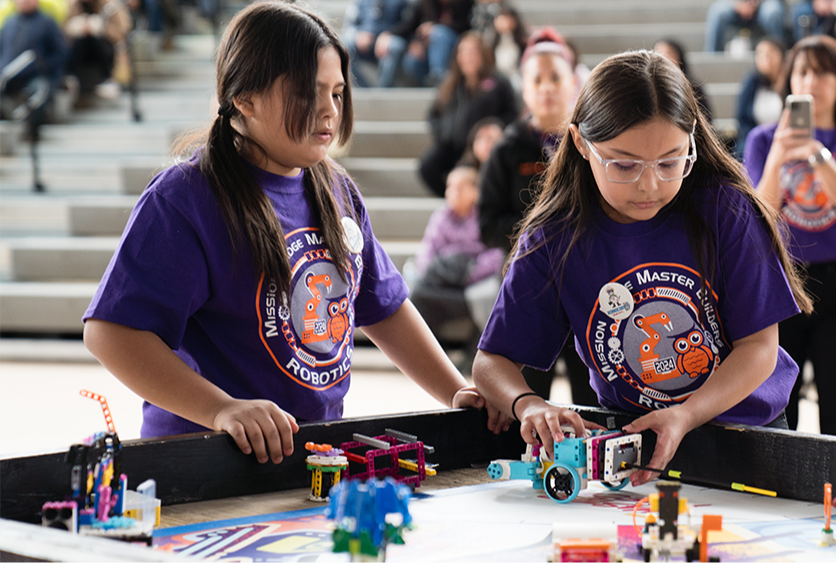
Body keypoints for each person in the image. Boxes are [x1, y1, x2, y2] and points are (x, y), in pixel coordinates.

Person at [82, 1, 499, 465]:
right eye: (308, 92)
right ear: (245, 98)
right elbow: (111, 332)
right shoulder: (186, 198)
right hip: (203, 461)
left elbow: (384, 307)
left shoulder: (335, 188)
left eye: (337, 93)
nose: (328, 110)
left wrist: (456, 390)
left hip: (312, 455)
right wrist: (221, 409)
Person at [473, 50, 812, 485]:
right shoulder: (556, 235)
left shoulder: (725, 208)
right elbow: (491, 362)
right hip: (631, 440)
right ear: (580, 143)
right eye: (624, 165)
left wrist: (685, 414)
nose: (650, 184)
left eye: (671, 162)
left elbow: (760, 350)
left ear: (692, 137)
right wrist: (528, 403)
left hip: (748, 435)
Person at [744, 34, 836, 438]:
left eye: (823, 72)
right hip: (780, 284)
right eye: (803, 71)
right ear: (789, 81)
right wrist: (780, 155)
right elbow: (760, 215)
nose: (812, 81)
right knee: (777, 411)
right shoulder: (762, 140)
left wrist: (817, 154)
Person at [477, 28, 599, 407]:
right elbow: (487, 222)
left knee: (592, 395)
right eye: (537, 80)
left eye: (556, 78)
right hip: (530, 287)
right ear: (524, 89)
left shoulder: (593, 143)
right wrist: (541, 242)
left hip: (588, 286)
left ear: (574, 83)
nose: (547, 88)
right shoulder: (507, 150)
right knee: (530, 393)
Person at [409, 162, 505, 355]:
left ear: (475, 191)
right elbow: (427, 252)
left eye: (460, 187)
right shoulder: (441, 216)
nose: (453, 192)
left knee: (492, 297)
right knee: (418, 294)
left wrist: (470, 274)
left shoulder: (484, 216)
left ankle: (474, 357)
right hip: (443, 282)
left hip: (474, 282)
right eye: (450, 187)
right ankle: (426, 354)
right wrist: (438, 273)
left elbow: (496, 255)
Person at [418, 31, 517, 197]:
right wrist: (443, 133)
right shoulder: (450, 83)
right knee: (427, 167)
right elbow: (433, 115)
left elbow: (512, 114)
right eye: (462, 51)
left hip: (480, 149)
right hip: (451, 146)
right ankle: (455, 202)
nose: (467, 56)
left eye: (472, 52)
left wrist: (492, 132)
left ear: (482, 54)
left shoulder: (498, 82)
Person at [0, 0, 66, 141]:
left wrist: (42, 66)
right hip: (8, 75)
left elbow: (60, 52)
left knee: (38, 92)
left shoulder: (47, 23)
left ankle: (31, 132)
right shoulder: (9, 23)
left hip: (34, 75)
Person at [380, 0, 474, 87]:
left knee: (439, 33)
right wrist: (388, 34)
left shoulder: (463, 3)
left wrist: (434, 27)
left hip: (456, 47)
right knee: (411, 60)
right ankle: (430, 86)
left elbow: (466, 27)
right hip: (429, 51)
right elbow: (409, 26)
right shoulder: (425, 4)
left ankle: (439, 78)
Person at [63, 0, 131, 101]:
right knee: (80, 42)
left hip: (106, 52)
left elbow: (123, 31)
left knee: (95, 41)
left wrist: (100, 29)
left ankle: (106, 79)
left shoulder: (111, 6)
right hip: (81, 52)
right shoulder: (75, 6)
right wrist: (79, 28)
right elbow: (65, 30)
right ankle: (75, 80)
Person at [340, 0, 409, 88]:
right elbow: (349, 27)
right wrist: (358, 36)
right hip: (364, 43)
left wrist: (389, 34)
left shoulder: (401, 2)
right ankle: (364, 90)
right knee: (343, 46)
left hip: (389, 42)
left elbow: (407, 24)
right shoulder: (359, 3)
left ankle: (383, 90)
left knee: (396, 46)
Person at [736, 36, 786, 155]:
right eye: (760, 54)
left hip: (784, 137)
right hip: (756, 137)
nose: (766, 58)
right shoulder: (750, 83)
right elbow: (742, 119)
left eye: (771, 53)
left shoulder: (790, 82)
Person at [653, 38, 714, 122]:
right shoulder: (650, 88)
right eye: (657, 54)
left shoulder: (694, 88)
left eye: (666, 54)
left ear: (678, 58)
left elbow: (706, 120)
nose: (662, 59)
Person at [703, 0, 786, 54]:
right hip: (737, 4)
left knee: (773, 12)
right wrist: (739, 4)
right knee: (717, 12)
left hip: (765, 4)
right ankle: (711, 55)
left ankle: (779, 54)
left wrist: (755, 3)